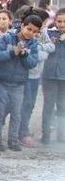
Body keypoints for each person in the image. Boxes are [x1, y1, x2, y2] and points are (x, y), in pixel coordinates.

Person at [0, 15, 41, 151]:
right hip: (1, 81)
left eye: (35, 32)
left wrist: (24, 54)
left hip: (19, 84)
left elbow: (32, 63)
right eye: (29, 29)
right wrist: (13, 52)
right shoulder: (7, 38)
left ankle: (13, 141)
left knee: (16, 113)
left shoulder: (34, 44)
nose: (31, 33)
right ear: (23, 26)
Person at [17, 7, 54, 147]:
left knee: (29, 104)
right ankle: (13, 129)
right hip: (22, 74)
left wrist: (40, 51)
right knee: (16, 103)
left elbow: (51, 47)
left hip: (34, 75)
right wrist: (40, 53)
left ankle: (23, 131)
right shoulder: (22, 33)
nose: (43, 26)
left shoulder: (43, 33)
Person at [41, 9, 65, 144]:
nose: (62, 24)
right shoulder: (49, 34)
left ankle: (62, 135)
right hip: (49, 76)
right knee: (48, 105)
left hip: (64, 77)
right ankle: (46, 134)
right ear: (55, 21)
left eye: (64, 22)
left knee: (62, 106)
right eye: (59, 21)